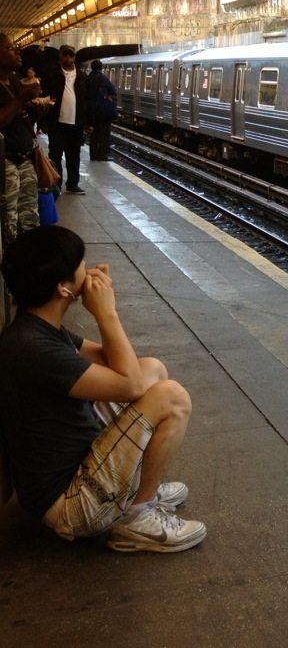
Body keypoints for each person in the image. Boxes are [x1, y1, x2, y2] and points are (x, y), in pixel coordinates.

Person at [0, 226, 207, 552]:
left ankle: (139, 493)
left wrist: (104, 307)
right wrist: (105, 312)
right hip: (71, 505)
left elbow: (120, 364)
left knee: (151, 368)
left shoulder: (35, 329)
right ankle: (136, 518)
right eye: (80, 264)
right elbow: (130, 384)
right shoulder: (35, 349)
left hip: (70, 473)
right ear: (64, 289)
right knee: (172, 398)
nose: (88, 267)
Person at [0, 33, 42, 247]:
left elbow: (20, 111)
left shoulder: (14, 79)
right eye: (9, 48)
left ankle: (28, 265)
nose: (17, 52)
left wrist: (33, 105)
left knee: (29, 217)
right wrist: (21, 99)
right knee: (8, 221)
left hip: (24, 156)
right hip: (5, 161)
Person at [43, 44, 88, 195]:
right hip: (57, 122)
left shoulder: (81, 76)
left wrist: (89, 122)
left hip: (76, 122)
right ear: (60, 56)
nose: (68, 57)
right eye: (65, 54)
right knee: (55, 154)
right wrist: (43, 121)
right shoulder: (53, 74)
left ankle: (73, 184)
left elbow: (87, 100)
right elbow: (45, 96)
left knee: (74, 155)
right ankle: (56, 183)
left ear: (74, 57)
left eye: (71, 54)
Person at [85, 60, 116, 161]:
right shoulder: (103, 78)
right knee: (104, 134)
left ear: (92, 67)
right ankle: (102, 155)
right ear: (101, 68)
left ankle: (93, 155)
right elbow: (112, 90)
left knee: (93, 135)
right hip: (102, 111)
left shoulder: (88, 78)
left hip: (90, 111)